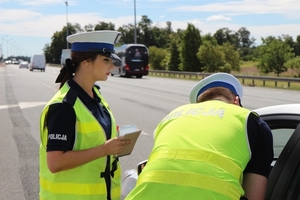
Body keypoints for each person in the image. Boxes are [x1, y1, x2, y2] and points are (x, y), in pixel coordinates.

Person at [125, 72, 274, 200]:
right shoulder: (250, 120)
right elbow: (255, 194)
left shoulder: (170, 117)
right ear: (236, 101)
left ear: (198, 103)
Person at [39, 30, 131, 200]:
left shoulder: (96, 95)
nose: (112, 66)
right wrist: (104, 149)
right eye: (106, 60)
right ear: (87, 62)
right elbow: (55, 162)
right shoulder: (64, 106)